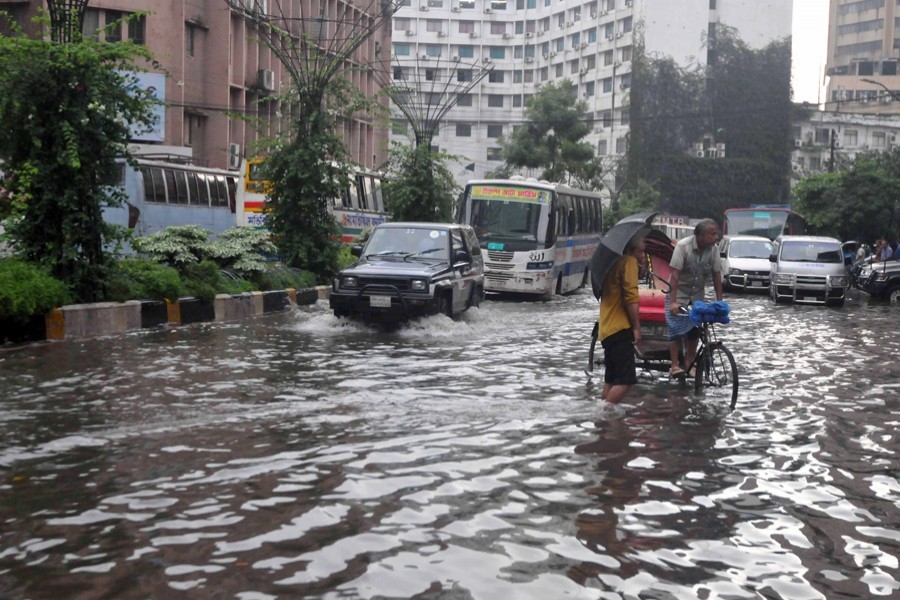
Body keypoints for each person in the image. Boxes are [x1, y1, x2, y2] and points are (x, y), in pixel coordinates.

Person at [666, 219, 724, 378]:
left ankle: (690, 360)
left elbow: (717, 275)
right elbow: (675, 276)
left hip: (697, 295)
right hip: (678, 293)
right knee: (675, 328)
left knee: (696, 329)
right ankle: (675, 365)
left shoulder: (714, 250)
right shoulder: (682, 247)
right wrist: (672, 302)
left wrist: (720, 302)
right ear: (701, 236)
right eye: (712, 234)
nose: (716, 237)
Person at [599, 237, 646, 404]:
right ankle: (604, 413)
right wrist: (636, 328)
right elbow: (631, 297)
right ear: (630, 251)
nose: (643, 256)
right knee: (625, 381)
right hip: (620, 328)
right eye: (640, 251)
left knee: (611, 380)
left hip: (606, 329)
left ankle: (605, 423)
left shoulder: (612, 264)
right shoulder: (628, 262)